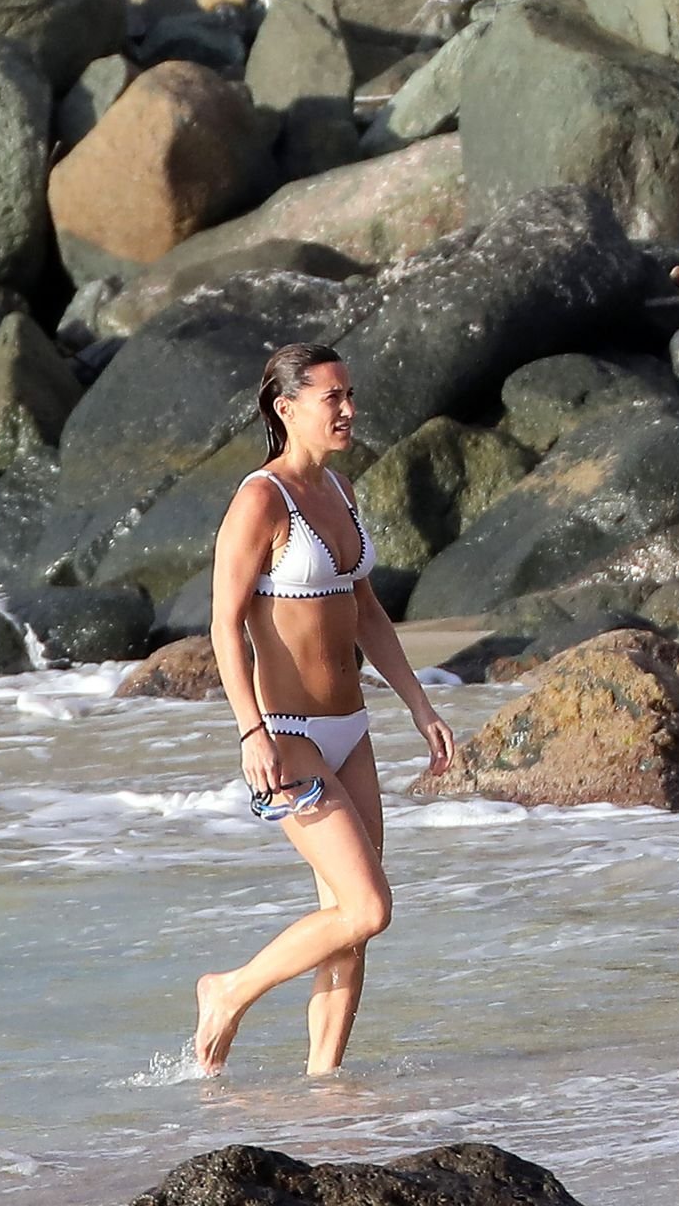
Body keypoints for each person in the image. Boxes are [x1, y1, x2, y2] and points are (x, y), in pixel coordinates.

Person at [195, 342, 455, 1074]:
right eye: (332, 397)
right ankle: (228, 989)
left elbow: (365, 609)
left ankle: (324, 1087)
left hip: (351, 728)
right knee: (369, 906)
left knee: (351, 926)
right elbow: (223, 626)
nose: (348, 409)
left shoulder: (340, 490)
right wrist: (250, 731)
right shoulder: (260, 500)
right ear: (287, 408)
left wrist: (418, 704)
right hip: (289, 734)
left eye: (350, 395)